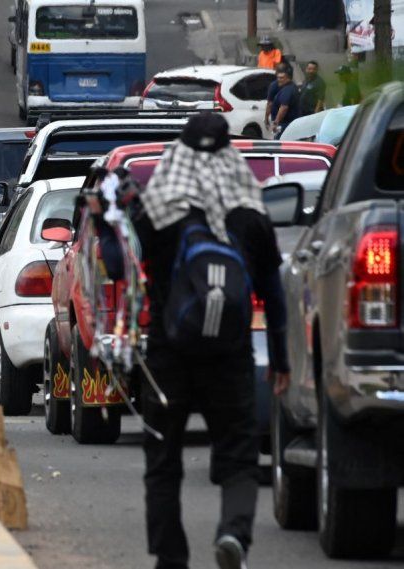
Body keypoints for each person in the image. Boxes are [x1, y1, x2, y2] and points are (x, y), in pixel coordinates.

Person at [90, 114, 290, 569]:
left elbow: (118, 267)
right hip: (231, 355)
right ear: (228, 155)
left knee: (163, 460)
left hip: (169, 356)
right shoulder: (250, 215)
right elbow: (273, 294)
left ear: (178, 152)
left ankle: (170, 557)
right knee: (238, 457)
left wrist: (104, 224)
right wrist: (280, 358)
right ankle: (234, 533)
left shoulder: (159, 209)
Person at [267, 67, 300, 139]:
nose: (279, 80)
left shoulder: (288, 90)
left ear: (288, 78)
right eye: (278, 77)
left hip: (285, 124)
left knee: (278, 145)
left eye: (282, 78)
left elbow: (284, 107)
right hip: (287, 124)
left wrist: (276, 122)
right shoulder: (289, 87)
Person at [264, 62, 292, 136]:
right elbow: (270, 104)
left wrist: (267, 119)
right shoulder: (275, 86)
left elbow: (270, 104)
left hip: (282, 121)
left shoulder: (275, 86)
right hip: (284, 120)